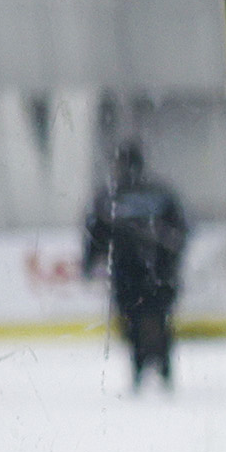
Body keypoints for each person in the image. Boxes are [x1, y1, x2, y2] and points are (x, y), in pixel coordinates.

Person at [80, 139, 190, 390]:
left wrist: (90, 262)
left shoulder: (110, 197)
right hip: (158, 272)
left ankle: (141, 365)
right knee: (158, 319)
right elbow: (180, 231)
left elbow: (95, 234)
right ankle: (161, 365)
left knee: (133, 320)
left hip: (127, 273)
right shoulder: (160, 194)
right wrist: (170, 259)